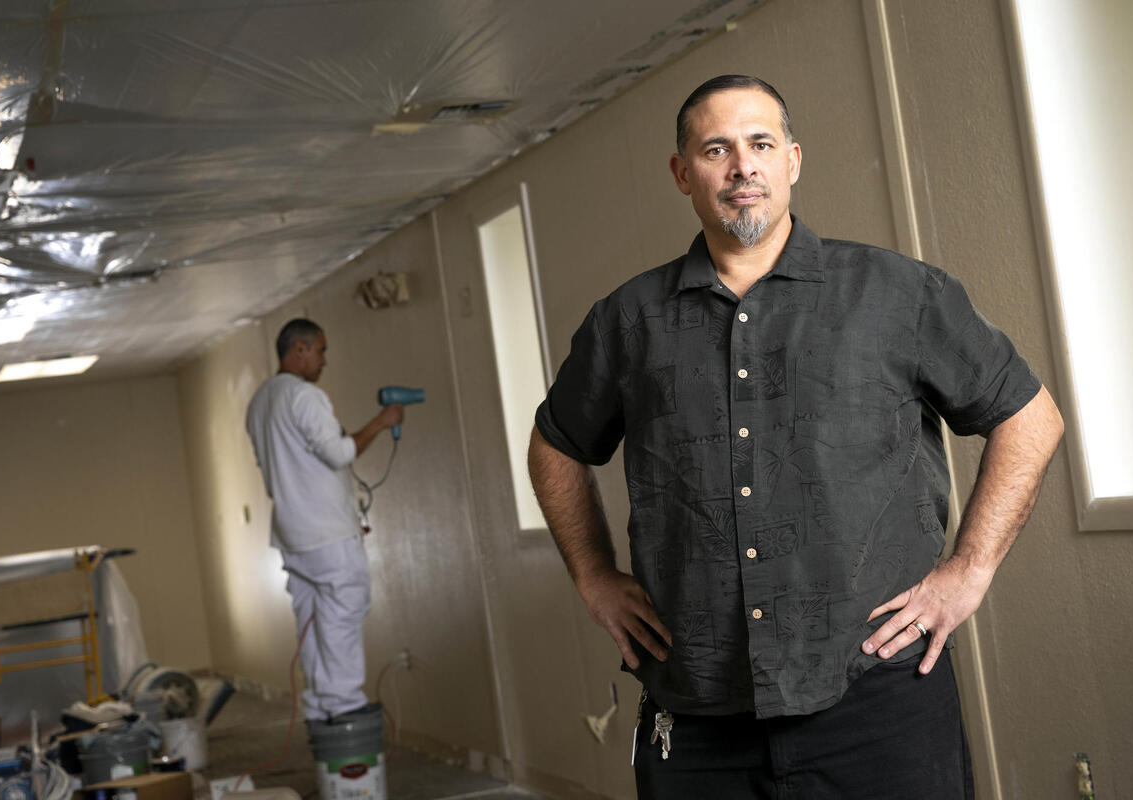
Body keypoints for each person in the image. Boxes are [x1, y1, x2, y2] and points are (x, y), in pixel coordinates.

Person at [527, 75, 1063, 798]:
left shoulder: (897, 293)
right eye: (717, 149)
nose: (743, 166)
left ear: (793, 161)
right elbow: (556, 443)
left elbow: (1029, 416)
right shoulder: (627, 322)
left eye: (761, 144)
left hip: (878, 702)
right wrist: (593, 577)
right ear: (683, 173)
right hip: (698, 713)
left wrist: (969, 571)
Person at [246, 318, 403, 721]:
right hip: (326, 533)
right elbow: (339, 455)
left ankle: (320, 704)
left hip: (292, 534)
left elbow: (293, 461)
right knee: (343, 610)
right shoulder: (304, 396)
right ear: (299, 350)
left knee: (312, 616)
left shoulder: (261, 400)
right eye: (321, 350)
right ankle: (343, 703)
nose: (324, 360)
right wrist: (383, 422)